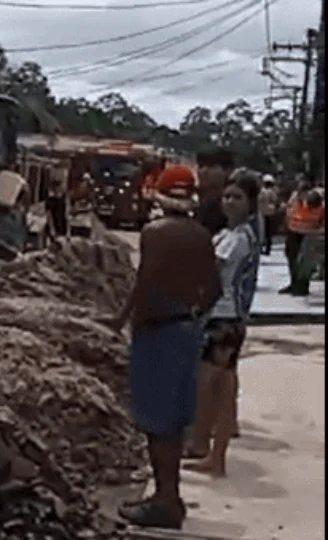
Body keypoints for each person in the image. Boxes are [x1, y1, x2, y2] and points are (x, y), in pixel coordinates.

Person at [104, 165, 221, 530]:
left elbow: (146, 283)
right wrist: (193, 314)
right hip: (188, 331)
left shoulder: (155, 233)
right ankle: (171, 496)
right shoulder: (201, 235)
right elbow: (214, 289)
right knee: (174, 420)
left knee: (156, 422)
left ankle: (165, 501)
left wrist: (127, 324)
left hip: (158, 333)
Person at [182, 170, 261, 478]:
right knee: (223, 392)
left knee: (209, 387)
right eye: (227, 196)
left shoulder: (238, 239)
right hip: (226, 318)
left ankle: (204, 448)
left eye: (237, 197)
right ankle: (215, 457)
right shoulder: (229, 235)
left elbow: (211, 271)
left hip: (223, 319)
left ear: (250, 204)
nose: (229, 202)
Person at [280, 176, 324, 296]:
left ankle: (302, 287)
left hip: (309, 234)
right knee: (292, 258)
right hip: (293, 232)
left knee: (303, 261)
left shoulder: (317, 200)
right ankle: (294, 283)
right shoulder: (294, 198)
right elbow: (289, 211)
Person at [195, 149, 236, 237]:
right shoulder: (195, 198)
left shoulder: (234, 202)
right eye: (201, 166)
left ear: (228, 170)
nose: (204, 171)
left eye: (211, 166)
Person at [258, 174, 280, 255]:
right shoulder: (264, 191)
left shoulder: (270, 191)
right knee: (264, 232)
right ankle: (264, 248)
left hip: (267, 213)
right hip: (264, 213)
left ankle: (267, 248)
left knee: (267, 232)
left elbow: (275, 201)